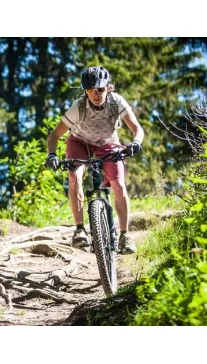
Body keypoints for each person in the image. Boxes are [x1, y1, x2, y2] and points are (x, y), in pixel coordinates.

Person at [45, 66, 144, 254]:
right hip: (79, 141)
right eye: (90, 90)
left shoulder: (116, 102)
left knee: (119, 184)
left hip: (107, 142)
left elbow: (137, 129)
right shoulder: (78, 107)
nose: (95, 94)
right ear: (85, 91)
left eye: (100, 89)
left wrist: (136, 142)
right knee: (74, 176)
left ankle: (124, 235)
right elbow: (54, 136)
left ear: (108, 87)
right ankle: (80, 230)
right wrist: (52, 155)